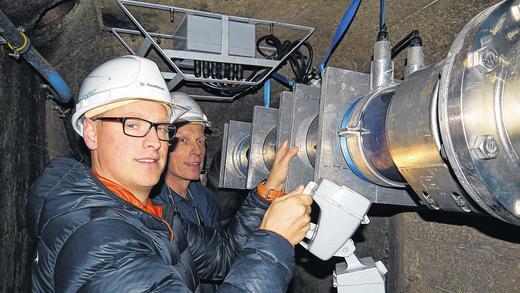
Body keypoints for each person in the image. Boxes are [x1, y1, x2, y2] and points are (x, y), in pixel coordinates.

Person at [26, 55, 313, 292]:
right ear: (91, 133)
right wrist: (274, 240)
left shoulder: (148, 216)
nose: (154, 141)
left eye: (162, 128)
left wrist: (267, 192)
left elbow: (225, 254)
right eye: (134, 124)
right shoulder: (102, 245)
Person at [154, 92, 299, 292]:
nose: (197, 151)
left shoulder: (203, 197)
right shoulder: (154, 209)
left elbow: (225, 252)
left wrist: (270, 188)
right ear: (162, 144)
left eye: (200, 141)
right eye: (184, 140)